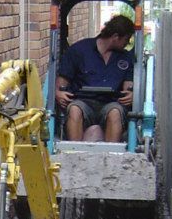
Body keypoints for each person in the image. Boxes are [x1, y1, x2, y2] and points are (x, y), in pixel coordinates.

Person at [55, 14, 136, 143]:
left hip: (111, 103)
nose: (127, 43)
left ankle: (112, 156)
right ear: (115, 37)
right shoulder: (79, 51)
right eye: (126, 39)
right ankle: (73, 153)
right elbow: (62, 81)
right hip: (83, 102)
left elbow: (128, 86)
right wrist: (58, 93)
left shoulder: (126, 58)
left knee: (115, 112)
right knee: (74, 110)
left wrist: (132, 95)